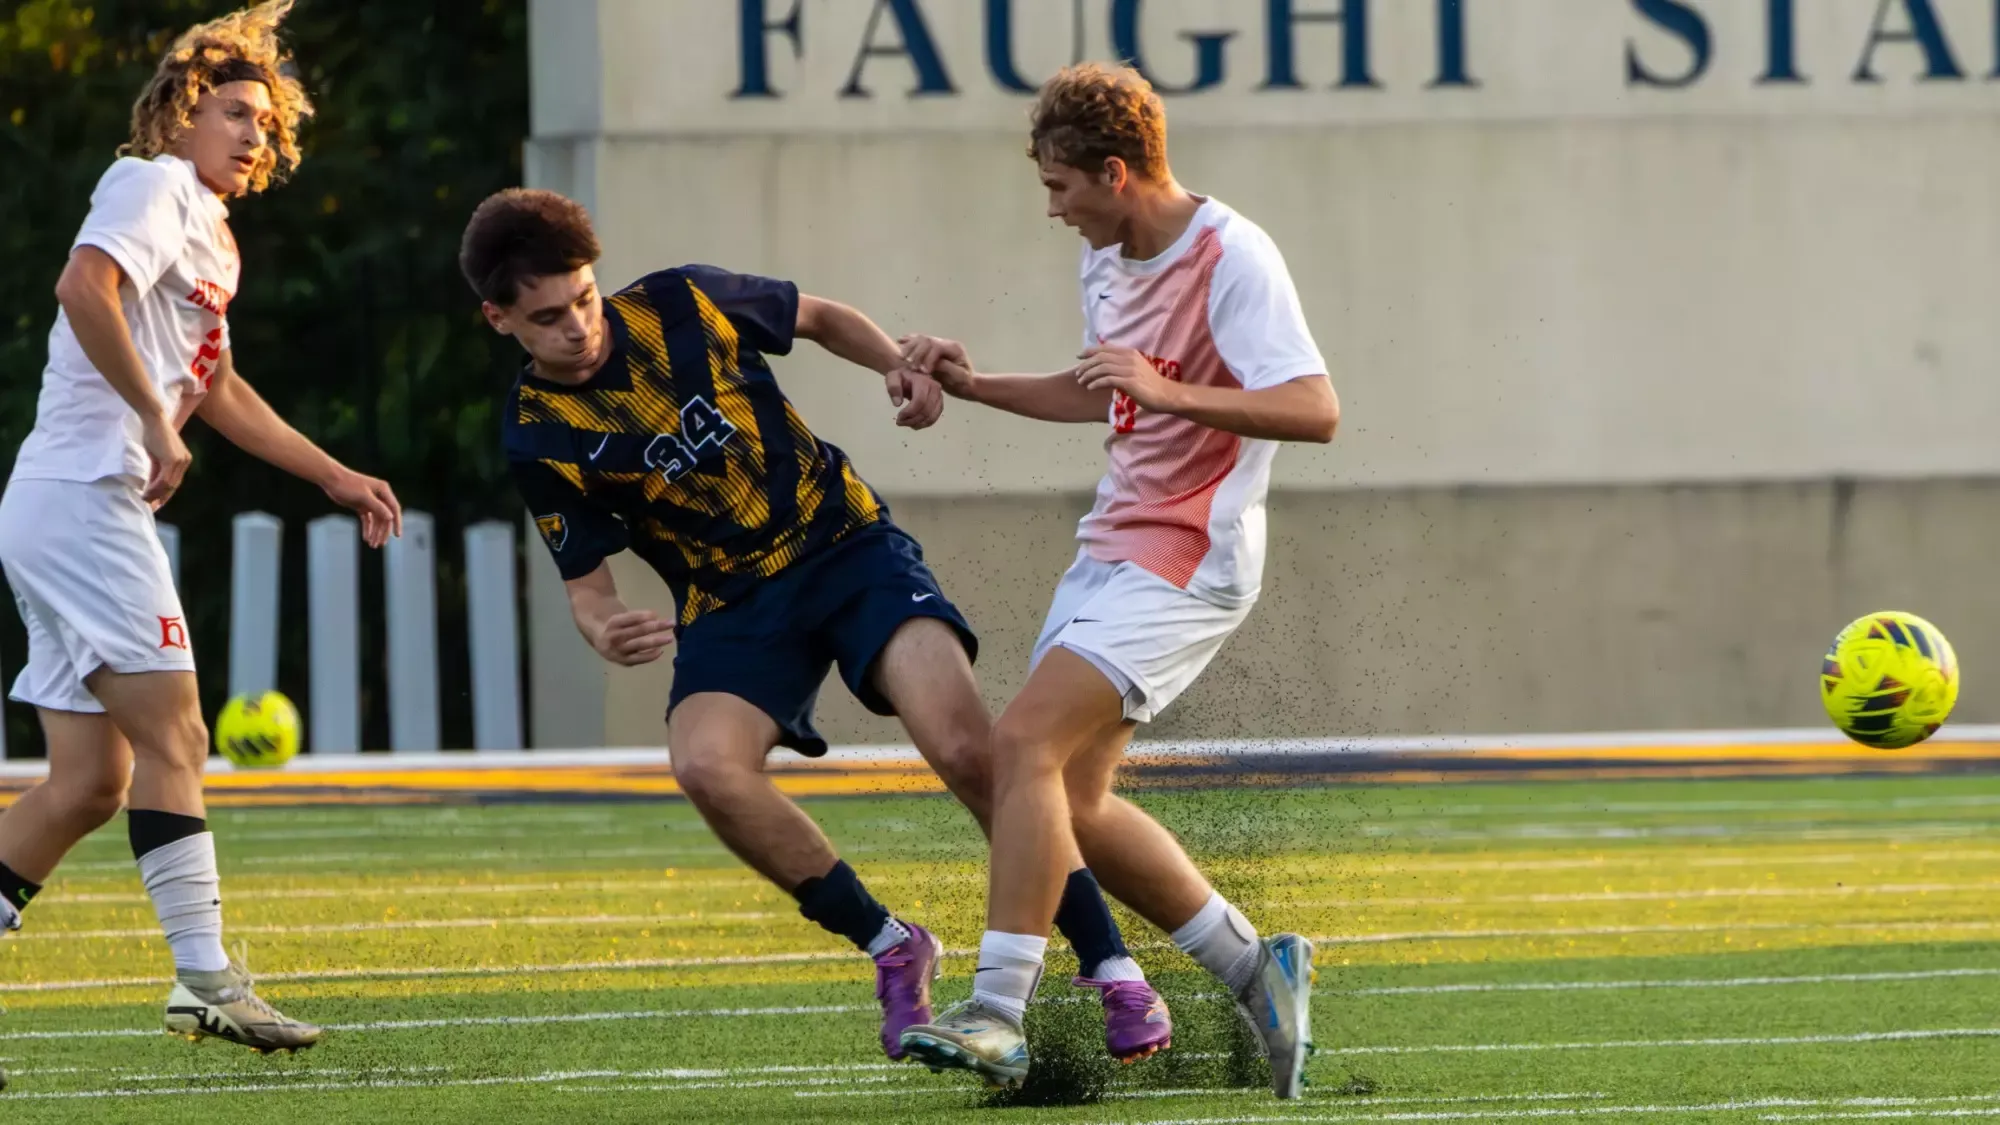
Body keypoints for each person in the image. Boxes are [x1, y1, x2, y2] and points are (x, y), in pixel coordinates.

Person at [460, 187, 1169, 1063]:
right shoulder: (536, 434)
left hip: (847, 548)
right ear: (499, 319)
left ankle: (1111, 967)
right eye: (547, 317)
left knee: (965, 748)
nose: (578, 326)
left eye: (584, 297)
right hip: (733, 605)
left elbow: (823, 317)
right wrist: (605, 628)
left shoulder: (685, 300)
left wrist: (890, 364)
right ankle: (889, 943)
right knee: (705, 765)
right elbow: (587, 587)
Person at [894, 62, 1342, 1098]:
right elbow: (1104, 394)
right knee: (1072, 800)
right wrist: (971, 387)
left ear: (1112, 170)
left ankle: (997, 1011)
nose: (1051, 211)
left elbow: (1314, 407)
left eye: (1059, 189)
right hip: (1111, 547)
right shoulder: (1107, 258)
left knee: (1019, 745)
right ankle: (1253, 970)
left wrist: (1166, 386)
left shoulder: (1232, 254)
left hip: (1190, 557)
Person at [0, 0, 402, 1055]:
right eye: (233, 110)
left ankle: (202, 977)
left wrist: (333, 473)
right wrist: (147, 419)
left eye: (264, 121)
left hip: (67, 503)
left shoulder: (209, 229)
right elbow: (83, 286)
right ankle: (207, 981)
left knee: (90, 784)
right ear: (177, 113)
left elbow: (213, 385)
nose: (253, 132)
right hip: (86, 497)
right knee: (177, 734)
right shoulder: (151, 183)